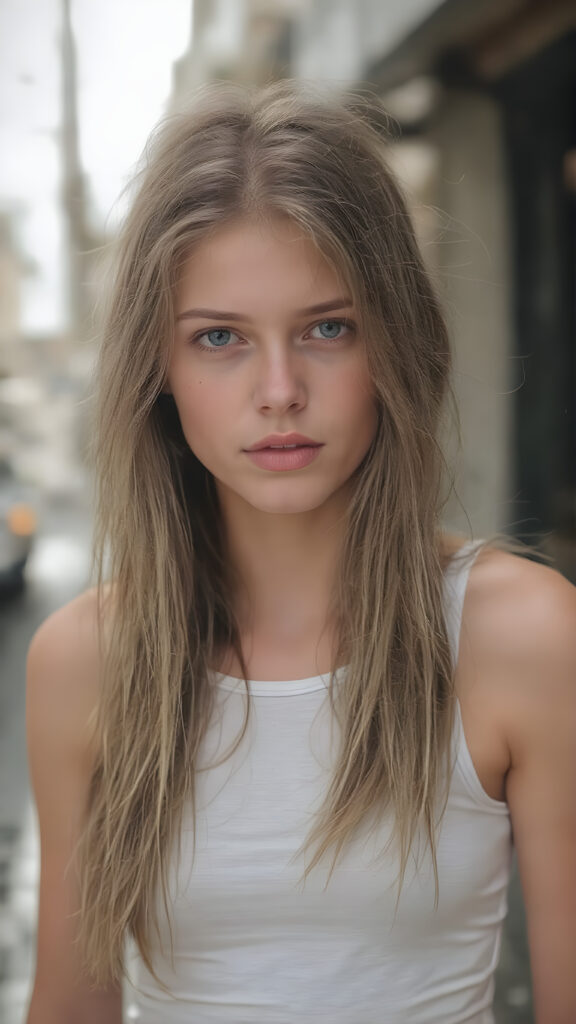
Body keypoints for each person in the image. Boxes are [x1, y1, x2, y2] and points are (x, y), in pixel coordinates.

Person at [25, 82, 576, 1024]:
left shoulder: (525, 636)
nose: (279, 391)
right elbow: (72, 1003)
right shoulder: (86, 661)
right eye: (221, 339)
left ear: (395, 342)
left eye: (328, 328)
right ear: (158, 370)